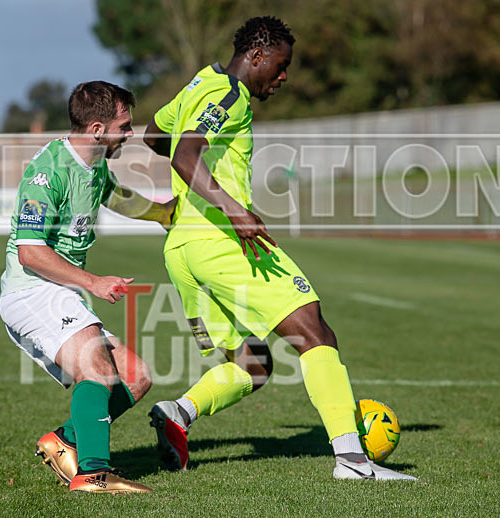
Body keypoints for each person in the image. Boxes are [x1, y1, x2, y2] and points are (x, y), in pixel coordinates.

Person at [142, 16, 416, 481]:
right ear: (256, 55)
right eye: (281, 64)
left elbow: (154, 135)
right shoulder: (230, 95)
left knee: (253, 364)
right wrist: (231, 207)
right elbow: (185, 156)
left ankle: (177, 413)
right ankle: (352, 461)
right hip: (221, 242)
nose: (284, 76)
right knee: (314, 331)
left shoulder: (198, 84)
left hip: (182, 249)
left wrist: (187, 200)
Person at [0, 81, 176, 493]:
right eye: (124, 125)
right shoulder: (47, 173)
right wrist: (93, 282)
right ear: (97, 128)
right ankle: (94, 473)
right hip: (32, 290)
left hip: (57, 291)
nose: (130, 133)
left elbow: (112, 195)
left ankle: (63, 441)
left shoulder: (94, 161)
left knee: (135, 376)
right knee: (97, 368)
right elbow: (30, 253)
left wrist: (163, 213)